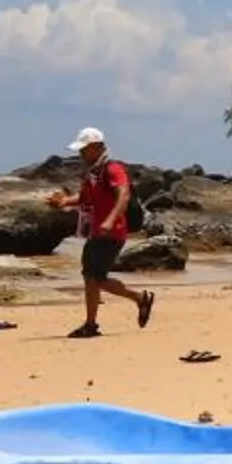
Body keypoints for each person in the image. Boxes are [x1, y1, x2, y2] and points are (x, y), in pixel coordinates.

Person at [47, 126, 156, 338]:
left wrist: (110, 220)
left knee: (96, 278)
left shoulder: (113, 169)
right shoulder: (93, 174)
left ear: (97, 147)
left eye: (84, 149)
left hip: (112, 233)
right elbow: (84, 199)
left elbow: (123, 196)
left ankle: (139, 298)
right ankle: (91, 324)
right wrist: (63, 202)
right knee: (90, 276)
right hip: (97, 232)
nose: (80, 153)